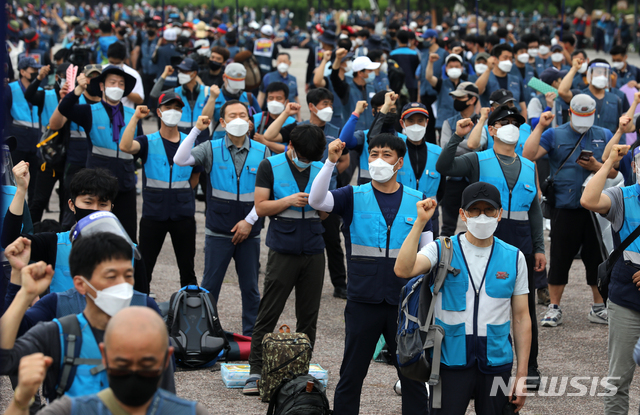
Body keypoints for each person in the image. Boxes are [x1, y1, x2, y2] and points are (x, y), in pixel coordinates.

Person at [308, 134, 430, 414]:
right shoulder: (353, 195)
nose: (378, 160)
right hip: (363, 301)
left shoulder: (418, 201)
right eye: (373, 154)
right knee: (352, 374)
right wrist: (330, 162)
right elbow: (317, 200)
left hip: (405, 304)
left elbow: (427, 254)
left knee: (411, 376)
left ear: (399, 162)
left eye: (386, 155)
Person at [394, 181, 531, 414]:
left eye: (488, 210)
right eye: (474, 210)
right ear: (462, 214)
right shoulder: (442, 249)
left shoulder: (514, 257)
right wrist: (420, 223)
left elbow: (521, 318)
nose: (482, 216)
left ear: (499, 214)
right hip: (449, 362)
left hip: (496, 363)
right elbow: (403, 269)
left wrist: (522, 375)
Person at [437, 104, 546, 388]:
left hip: (520, 240)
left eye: (515, 121)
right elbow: (444, 166)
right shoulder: (476, 159)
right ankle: (480, 360)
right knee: (483, 302)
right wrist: (455, 138)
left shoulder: (529, 166)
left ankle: (529, 365)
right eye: (504, 121)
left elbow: (534, 210)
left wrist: (540, 247)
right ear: (492, 129)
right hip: (484, 236)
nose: (511, 125)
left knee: (525, 308)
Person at [0, 231, 174, 402]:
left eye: (128, 275)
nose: (122, 285)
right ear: (81, 284)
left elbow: (166, 394)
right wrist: (21, 288)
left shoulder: (146, 310)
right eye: (111, 276)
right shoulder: (57, 328)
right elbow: (7, 352)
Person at [243, 124, 328, 395]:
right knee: (269, 311)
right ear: (291, 146)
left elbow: (326, 213)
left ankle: (301, 370)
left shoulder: (322, 168)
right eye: (303, 156)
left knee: (309, 314)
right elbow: (261, 206)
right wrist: (289, 200)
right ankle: (255, 370)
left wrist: (318, 203)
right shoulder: (270, 165)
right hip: (283, 249)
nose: (307, 162)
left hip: (314, 249)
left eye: (311, 158)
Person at [174, 100, 268, 336]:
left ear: (250, 121)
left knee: (250, 288)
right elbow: (180, 159)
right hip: (218, 230)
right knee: (210, 287)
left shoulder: (262, 151)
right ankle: (202, 334)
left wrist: (250, 221)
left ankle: (251, 336)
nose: (239, 119)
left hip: (250, 231)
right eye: (232, 115)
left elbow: (268, 194)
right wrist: (196, 129)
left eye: (243, 115)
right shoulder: (210, 148)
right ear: (223, 122)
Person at [523, 94, 616, 327]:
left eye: (588, 115)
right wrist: (541, 126)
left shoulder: (603, 134)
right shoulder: (554, 133)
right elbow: (528, 155)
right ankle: (554, 307)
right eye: (579, 115)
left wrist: (596, 166)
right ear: (570, 113)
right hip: (565, 207)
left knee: (596, 258)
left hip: (594, 210)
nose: (584, 119)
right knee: (561, 257)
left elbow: (615, 173)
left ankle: (598, 306)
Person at [6, 307, 204, 415]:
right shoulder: (68, 410)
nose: (133, 372)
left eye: (145, 364)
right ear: (104, 354)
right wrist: (21, 400)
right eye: (123, 363)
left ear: (165, 358)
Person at [1, 165, 149, 294]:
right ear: (72, 205)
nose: (95, 210)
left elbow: (142, 303)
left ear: (111, 208)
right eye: (88, 202)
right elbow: (10, 241)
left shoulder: (131, 252)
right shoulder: (54, 244)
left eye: (103, 204)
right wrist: (21, 190)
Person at [119, 93, 203, 288]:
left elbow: (196, 177)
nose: (172, 112)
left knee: (187, 269)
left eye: (177, 108)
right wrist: (135, 118)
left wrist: (180, 194)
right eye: (168, 108)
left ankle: (188, 312)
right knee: (144, 268)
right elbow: (125, 146)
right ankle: (141, 309)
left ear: (181, 113)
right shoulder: (148, 141)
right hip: (153, 214)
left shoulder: (190, 143)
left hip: (183, 214)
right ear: (159, 112)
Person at [581, 142, 640, 415]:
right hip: (626, 301)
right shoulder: (622, 197)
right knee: (618, 379)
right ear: (635, 167)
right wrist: (608, 163)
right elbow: (589, 201)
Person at [58, 66, 142, 243]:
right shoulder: (89, 111)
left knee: (127, 236)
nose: (117, 87)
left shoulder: (132, 114)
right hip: (98, 185)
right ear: (102, 86)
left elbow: (138, 146)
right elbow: (65, 108)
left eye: (121, 84)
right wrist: (78, 90)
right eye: (112, 82)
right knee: (93, 235)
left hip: (125, 184)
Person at [438, 82, 482, 237]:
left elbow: (483, 147)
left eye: (460, 97)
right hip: (452, 181)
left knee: (477, 225)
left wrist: (456, 141)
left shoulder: (482, 123)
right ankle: (443, 259)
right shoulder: (448, 122)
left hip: (474, 181)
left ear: (472, 100)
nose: (456, 100)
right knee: (447, 226)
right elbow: (445, 149)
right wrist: (471, 145)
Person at [150, 59, 218, 144]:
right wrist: (165, 74)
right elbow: (154, 94)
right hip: (181, 136)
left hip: (202, 137)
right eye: (180, 71)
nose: (181, 74)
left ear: (194, 73)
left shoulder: (207, 91)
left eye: (185, 71)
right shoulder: (175, 92)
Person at [5, 57, 42, 205]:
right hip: (18, 139)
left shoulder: (38, 90)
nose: (35, 73)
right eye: (32, 70)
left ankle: (31, 219)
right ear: (22, 71)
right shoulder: (11, 88)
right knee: (14, 181)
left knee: (34, 183)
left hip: (35, 140)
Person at [558, 57, 624, 135]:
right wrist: (574, 68)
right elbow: (562, 92)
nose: (602, 76)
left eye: (605, 73)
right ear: (589, 74)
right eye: (599, 72)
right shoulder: (579, 96)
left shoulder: (615, 100)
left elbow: (618, 128)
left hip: (607, 144)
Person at [476, 44, 528, 119]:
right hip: (492, 123)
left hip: (514, 122)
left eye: (510, 58)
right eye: (505, 58)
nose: (508, 61)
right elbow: (478, 90)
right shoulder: (486, 77)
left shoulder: (516, 80)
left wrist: (523, 127)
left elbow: (522, 107)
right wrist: (488, 69)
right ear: (495, 59)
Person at [211, 63, 262, 140]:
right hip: (219, 141)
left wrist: (252, 125)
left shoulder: (248, 97)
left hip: (242, 141)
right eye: (234, 83)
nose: (236, 88)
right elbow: (205, 117)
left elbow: (260, 120)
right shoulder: (214, 96)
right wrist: (212, 98)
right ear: (224, 77)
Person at [425, 54, 469, 133]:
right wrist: (430, 62)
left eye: (457, 66)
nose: (454, 69)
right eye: (451, 67)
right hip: (443, 123)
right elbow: (429, 77)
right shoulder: (441, 83)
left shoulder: (466, 85)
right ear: (446, 68)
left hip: (462, 123)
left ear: (462, 68)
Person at [106, 42, 145, 109]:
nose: (114, 66)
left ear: (123, 59)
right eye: (112, 62)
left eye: (117, 63)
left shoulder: (133, 74)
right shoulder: (102, 71)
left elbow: (140, 100)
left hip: (125, 115)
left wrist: (123, 89)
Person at [389, 30, 420, 102]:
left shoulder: (392, 54)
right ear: (408, 40)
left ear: (398, 39)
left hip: (396, 87)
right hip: (411, 84)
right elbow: (417, 70)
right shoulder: (414, 54)